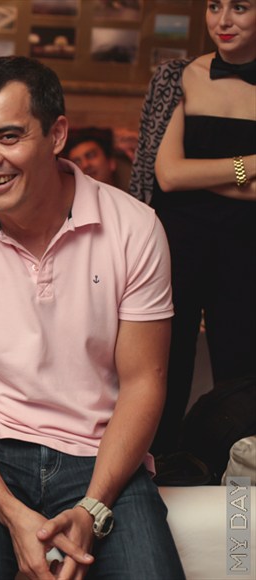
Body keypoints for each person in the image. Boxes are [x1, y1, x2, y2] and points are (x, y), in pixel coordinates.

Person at [0, 56, 184, 579]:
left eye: (8, 136)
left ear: (57, 135)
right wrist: (11, 514)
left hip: (98, 453)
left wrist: (94, 506)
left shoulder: (135, 228)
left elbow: (145, 383)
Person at [131, 0, 256, 460]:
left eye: (239, 7)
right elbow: (167, 176)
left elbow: (183, 175)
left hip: (246, 253)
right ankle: (152, 479)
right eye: (214, 5)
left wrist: (199, 175)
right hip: (175, 247)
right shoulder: (176, 77)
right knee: (161, 369)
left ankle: (237, 498)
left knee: (241, 380)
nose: (222, 21)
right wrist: (247, 166)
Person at [60, 126, 130, 190]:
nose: (85, 165)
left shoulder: (130, 198)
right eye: (77, 162)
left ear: (111, 162)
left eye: (90, 156)